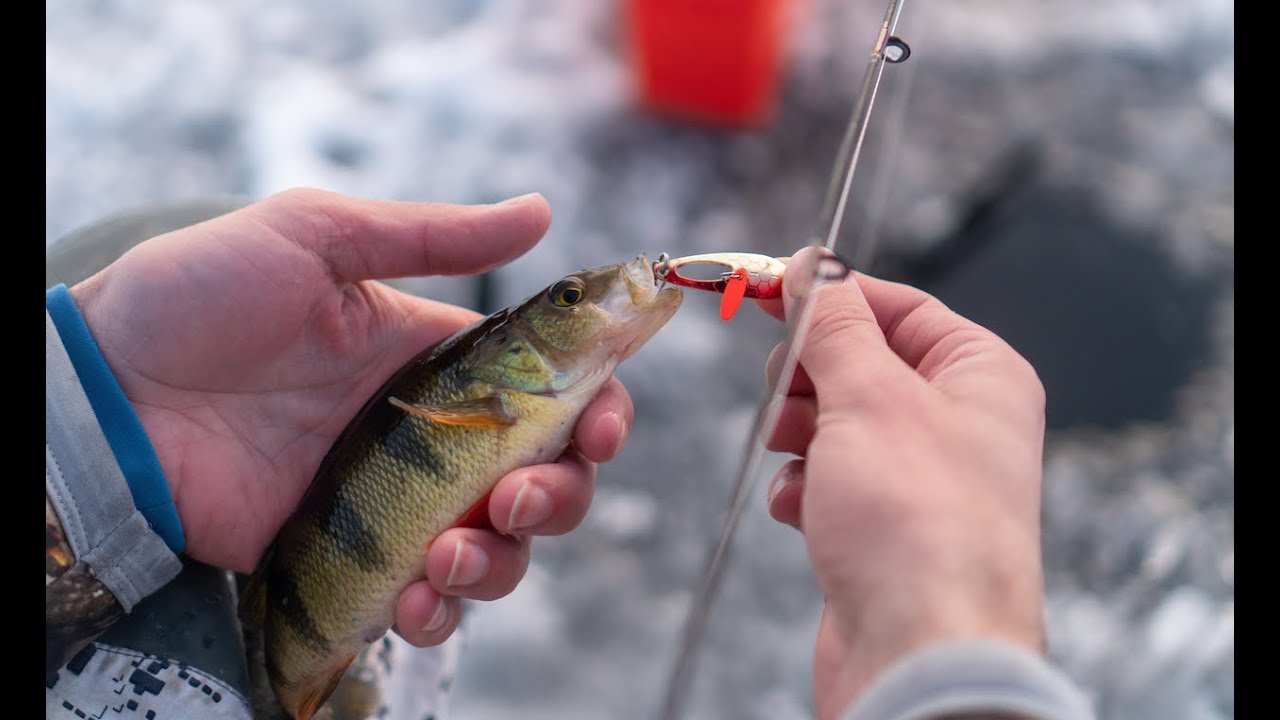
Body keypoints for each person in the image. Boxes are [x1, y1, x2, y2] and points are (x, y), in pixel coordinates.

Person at [45, 189, 1094, 719]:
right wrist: (952, 632)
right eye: (562, 301)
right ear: (515, 355)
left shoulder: (520, 402)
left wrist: (99, 417)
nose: (590, 291)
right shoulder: (504, 400)